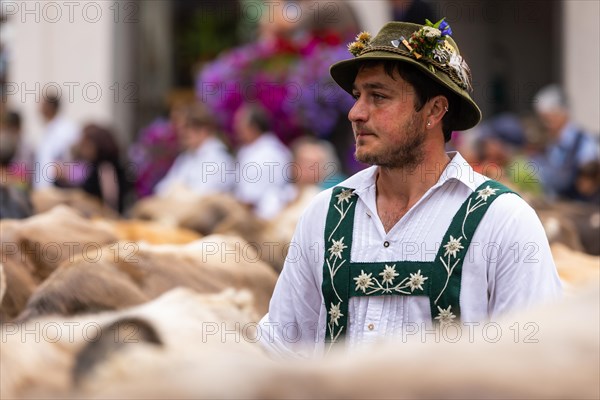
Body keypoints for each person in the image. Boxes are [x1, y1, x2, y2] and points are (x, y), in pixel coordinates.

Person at [258, 20, 562, 358]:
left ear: (434, 110)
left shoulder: (504, 221)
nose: (356, 113)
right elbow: (281, 351)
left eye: (379, 96)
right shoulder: (324, 213)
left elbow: (536, 364)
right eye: (358, 96)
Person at [532, 84, 599, 201]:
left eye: (547, 118)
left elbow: (589, 183)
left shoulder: (583, 143)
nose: (544, 123)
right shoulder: (551, 144)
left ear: (562, 113)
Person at [154, 104, 235, 197]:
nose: (182, 133)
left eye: (187, 128)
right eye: (181, 129)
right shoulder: (186, 157)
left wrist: (177, 191)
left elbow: (202, 196)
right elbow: (161, 189)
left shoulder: (219, 158)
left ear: (204, 130)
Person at [233, 103, 292, 219]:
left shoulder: (271, 153)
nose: (236, 127)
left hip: (266, 214)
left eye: (240, 124)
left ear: (253, 127)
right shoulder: (247, 149)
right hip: (247, 212)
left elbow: (253, 196)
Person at [55, 124, 129, 213]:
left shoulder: (105, 168)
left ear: (97, 144)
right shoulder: (94, 166)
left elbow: (111, 203)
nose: (82, 149)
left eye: (85, 144)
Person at [34, 94, 80, 189]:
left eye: (41, 104)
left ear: (50, 106)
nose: (38, 108)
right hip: (44, 191)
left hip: (59, 190)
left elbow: (72, 159)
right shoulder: (48, 130)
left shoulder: (66, 129)